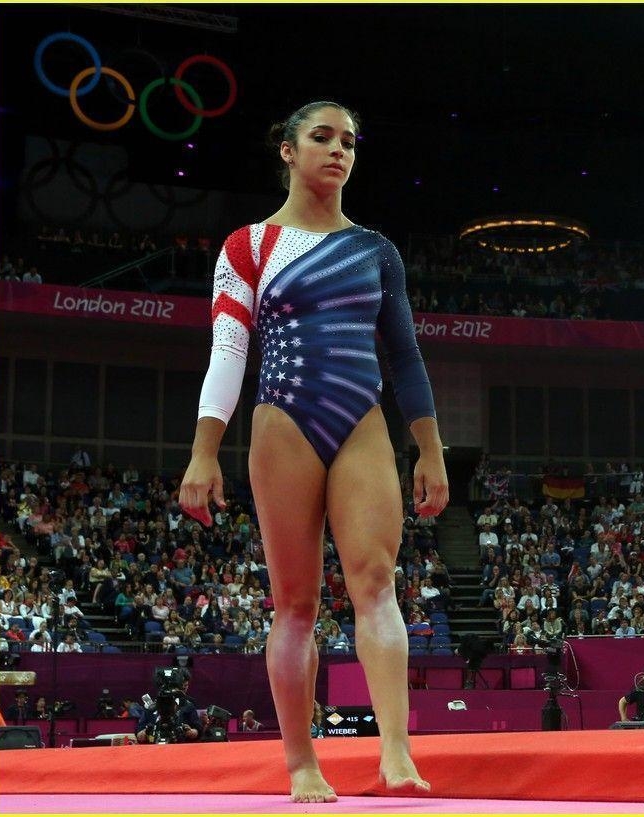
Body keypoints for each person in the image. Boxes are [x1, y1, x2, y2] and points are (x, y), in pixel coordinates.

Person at [179, 100, 447, 803]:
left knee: (375, 580)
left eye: (349, 141)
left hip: (361, 421)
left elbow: (406, 358)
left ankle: (396, 756)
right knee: (294, 602)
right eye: (321, 137)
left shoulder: (375, 250)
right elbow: (228, 353)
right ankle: (301, 761)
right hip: (284, 424)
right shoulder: (248, 247)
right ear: (288, 151)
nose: (338, 150)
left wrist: (430, 450)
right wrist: (204, 453)